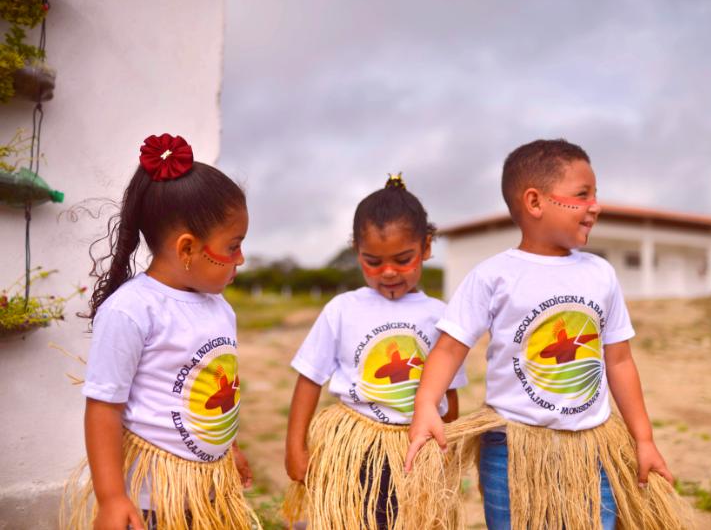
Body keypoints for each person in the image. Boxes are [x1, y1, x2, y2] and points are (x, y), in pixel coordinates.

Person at [405, 139, 688, 529]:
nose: (595, 206)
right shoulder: (493, 275)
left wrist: (643, 439)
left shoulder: (600, 274)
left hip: (592, 451)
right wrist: (425, 406)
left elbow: (620, 360)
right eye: (582, 195)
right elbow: (449, 348)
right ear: (535, 202)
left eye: (596, 195)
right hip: (510, 448)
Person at [62, 134, 260, 530]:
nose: (240, 258)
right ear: (187, 249)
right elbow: (104, 407)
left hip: (209, 493)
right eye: (233, 246)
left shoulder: (220, 308)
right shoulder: (132, 309)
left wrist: (229, 448)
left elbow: (217, 389)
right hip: (154, 500)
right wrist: (112, 498)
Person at [283, 174, 467, 530]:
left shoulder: (441, 315)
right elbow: (309, 378)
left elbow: (450, 393)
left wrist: (447, 446)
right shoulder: (342, 309)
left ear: (426, 247)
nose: (389, 272)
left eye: (403, 259)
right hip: (356, 449)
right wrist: (295, 446)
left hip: (414, 449)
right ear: (357, 251)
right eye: (373, 261)